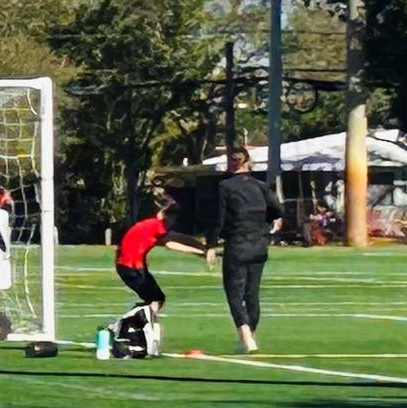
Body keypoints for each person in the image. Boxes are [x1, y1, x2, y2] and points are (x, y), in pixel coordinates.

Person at [110, 199, 211, 355]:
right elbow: (171, 244)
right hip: (132, 267)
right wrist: (201, 253)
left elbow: (178, 237)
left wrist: (201, 247)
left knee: (154, 300)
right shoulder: (158, 226)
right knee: (155, 300)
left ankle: (128, 327)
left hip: (127, 266)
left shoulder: (150, 224)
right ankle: (121, 325)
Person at [213, 147, 284, 353]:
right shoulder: (260, 186)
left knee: (234, 292)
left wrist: (211, 243)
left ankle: (246, 336)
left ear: (232, 162)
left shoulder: (225, 186)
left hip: (237, 244)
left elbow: (220, 218)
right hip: (259, 244)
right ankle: (250, 335)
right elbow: (278, 210)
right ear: (248, 162)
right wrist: (266, 222)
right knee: (252, 293)